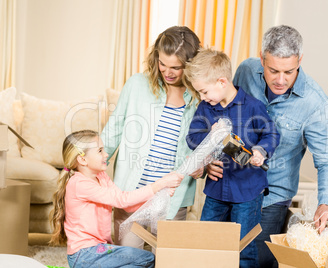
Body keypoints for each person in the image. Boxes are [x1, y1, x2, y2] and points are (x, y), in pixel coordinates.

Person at [203, 25, 328, 267]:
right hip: (230, 183)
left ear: (300, 60)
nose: (280, 80)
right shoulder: (246, 70)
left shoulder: (315, 103)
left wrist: (326, 204)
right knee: (214, 256)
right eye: (273, 70)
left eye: (289, 71)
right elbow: (224, 114)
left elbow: (327, 160)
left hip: (270, 197)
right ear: (262, 58)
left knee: (253, 262)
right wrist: (207, 160)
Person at [100, 26, 202, 248]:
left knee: (167, 261)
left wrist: (202, 166)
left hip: (173, 201)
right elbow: (113, 130)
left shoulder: (199, 97)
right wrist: (89, 170)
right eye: (162, 64)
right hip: (131, 195)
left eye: (176, 67)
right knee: (127, 260)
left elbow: (202, 148)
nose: (168, 72)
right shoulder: (137, 84)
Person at [184, 48, 280, 268]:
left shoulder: (254, 106)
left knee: (244, 248)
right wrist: (211, 137)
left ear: (222, 82)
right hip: (216, 191)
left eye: (204, 92)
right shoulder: (205, 108)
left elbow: (272, 134)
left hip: (248, 192)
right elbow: (192, 137)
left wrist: (260, 151)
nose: (202, 98)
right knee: (206, 241)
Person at [49, 130, 183, 268]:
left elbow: (127, 206)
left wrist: (159, 194)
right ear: (82, 159)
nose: (106, 154)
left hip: (99, 251)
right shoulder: (79, 184)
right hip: (85, 254)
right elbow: (122, 199)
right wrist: (160, 184)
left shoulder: (101, 176)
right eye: (100, 151)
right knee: (147, 258)